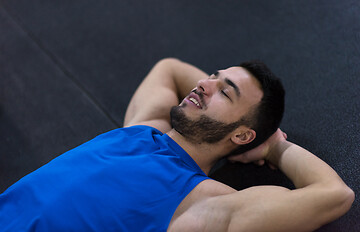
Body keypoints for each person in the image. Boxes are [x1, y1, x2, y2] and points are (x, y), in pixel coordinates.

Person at [0, 58, 354, 231]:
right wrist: (225, 101)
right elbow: (168, 67)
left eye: (225, 91)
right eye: (212, 76)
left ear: (242, 135)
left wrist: (274, 145)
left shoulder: (202, 204)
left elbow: (334, 195)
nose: (203, 84)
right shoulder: (143, 129)